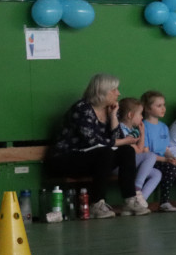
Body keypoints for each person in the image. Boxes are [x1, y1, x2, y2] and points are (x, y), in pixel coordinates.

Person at [45, 74, 149, 218]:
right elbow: (92, 141)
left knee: (126, 151)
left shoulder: (110, 110)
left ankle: (130, 200)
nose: (118, 93)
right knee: (106, 152)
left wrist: (113, 117)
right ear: (102, 91)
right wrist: (123, 142)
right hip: (66, 159)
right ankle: (97, 203)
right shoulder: (81, 109)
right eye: (114, 90)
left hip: (95, 159)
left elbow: (118, 139)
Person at [141, 90, 176, 212]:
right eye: (159, 106)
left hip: (165, 159)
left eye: (164, 105)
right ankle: (164, 202)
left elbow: (166, 149)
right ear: (147, 108)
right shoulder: (143, 126)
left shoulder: (163, 127)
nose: (163, 108)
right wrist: (167, 161)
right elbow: (146, 153)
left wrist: (172, 158)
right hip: (152, 161)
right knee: (170, 168)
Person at [116, 98, 161, 212]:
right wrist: (142, 134)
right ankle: (136, 189)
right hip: (119, 166)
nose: (142, 117)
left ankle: (138, 202)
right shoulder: (121, 129)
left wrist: (142, 133)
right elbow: (139, 151)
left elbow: (139, 150)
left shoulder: (132, 130)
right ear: (130, 115)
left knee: (156, 174)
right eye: (140, 114)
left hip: (131, 165)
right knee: (151, 156)